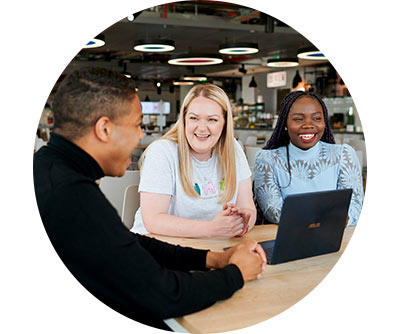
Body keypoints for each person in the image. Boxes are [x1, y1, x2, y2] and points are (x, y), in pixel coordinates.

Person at [33, 67, 266, 330]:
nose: (141, 136)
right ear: (104, 129)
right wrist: (236, 274)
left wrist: (215, 259)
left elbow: (128, 243)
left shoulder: (51, 169)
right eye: (136, 125)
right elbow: (164, 295)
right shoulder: (71, 195)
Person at [132, 84, 257, 238]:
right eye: (194, 118)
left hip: (208, 247)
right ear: (184, 120)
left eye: (212, 120)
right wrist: (212, 229)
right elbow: (154, 220)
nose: (202, 128)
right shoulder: (162, 152)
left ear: (224, 123)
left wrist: (242, 223)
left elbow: (248, 208)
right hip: (154, 248)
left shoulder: (233, 149)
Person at [254, 91, 363, 226]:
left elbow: (355, 207)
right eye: (298, 119)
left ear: (325, 122)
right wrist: (325, 219)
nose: (308, 125)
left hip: (336, 240)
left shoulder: (343, 155)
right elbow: (273, 211)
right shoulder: (267, 160)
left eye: (317, 118)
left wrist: (341, 218)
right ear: (285, 123)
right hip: (289, 240)